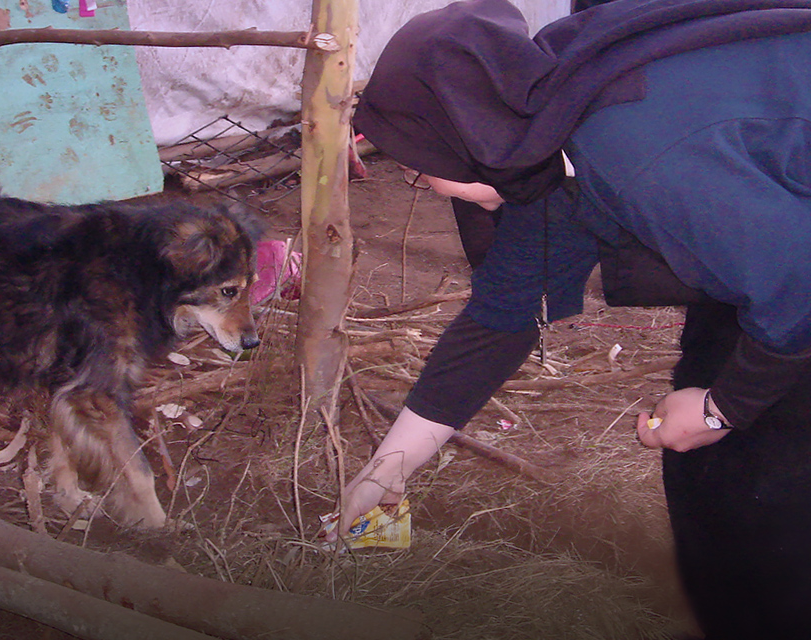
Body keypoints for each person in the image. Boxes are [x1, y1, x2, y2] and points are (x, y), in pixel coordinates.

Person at [328, 1, 811, 638]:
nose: (422, 181)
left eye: (422, 166)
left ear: (463, 137)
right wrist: (383, 473)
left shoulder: (638, 158)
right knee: (715, 450)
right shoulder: (546, 136)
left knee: (771, 461)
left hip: (795, 273)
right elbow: (498, 321)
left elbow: (797, 288)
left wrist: (724, 408)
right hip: (779, 247)